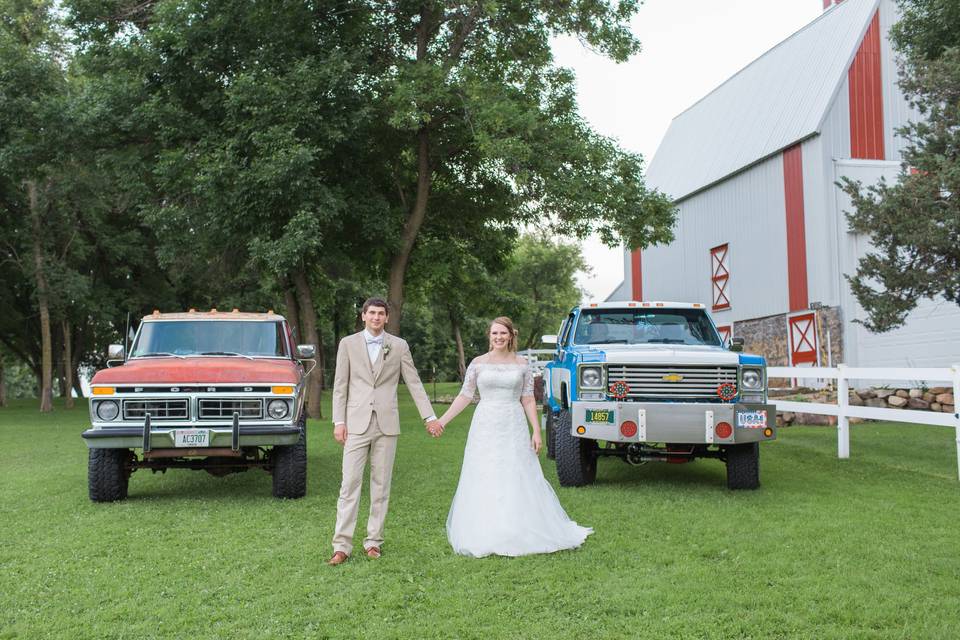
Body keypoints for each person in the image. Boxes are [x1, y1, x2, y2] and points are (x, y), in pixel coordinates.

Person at [437, 316, 592, 557]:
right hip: (485, 423)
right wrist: (442, 421)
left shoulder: (521, 365)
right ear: (489, 336)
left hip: (513, 422)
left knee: (515, 471)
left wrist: (536, 430)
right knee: (484, 470)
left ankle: (518, 526)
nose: (498, 337)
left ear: (511, 336)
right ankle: (485, 528)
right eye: (494, 333)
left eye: (502, 333)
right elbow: (465, 396)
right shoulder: (478, 363)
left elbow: (528, 398)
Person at [328, 297, 443, 566]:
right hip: (355, 424)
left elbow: (414, 382)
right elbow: (340, 385)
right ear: (363, 316)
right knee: (349, 485)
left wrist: (429, 416)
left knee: (381, 485)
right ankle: (342, 545)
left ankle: (373, 541)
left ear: (387, 317)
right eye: (372, 313)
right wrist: (338, 421)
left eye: (381, 313)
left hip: (387, 424)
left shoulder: (399, 346)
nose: (376, 317)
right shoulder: (347, 344)